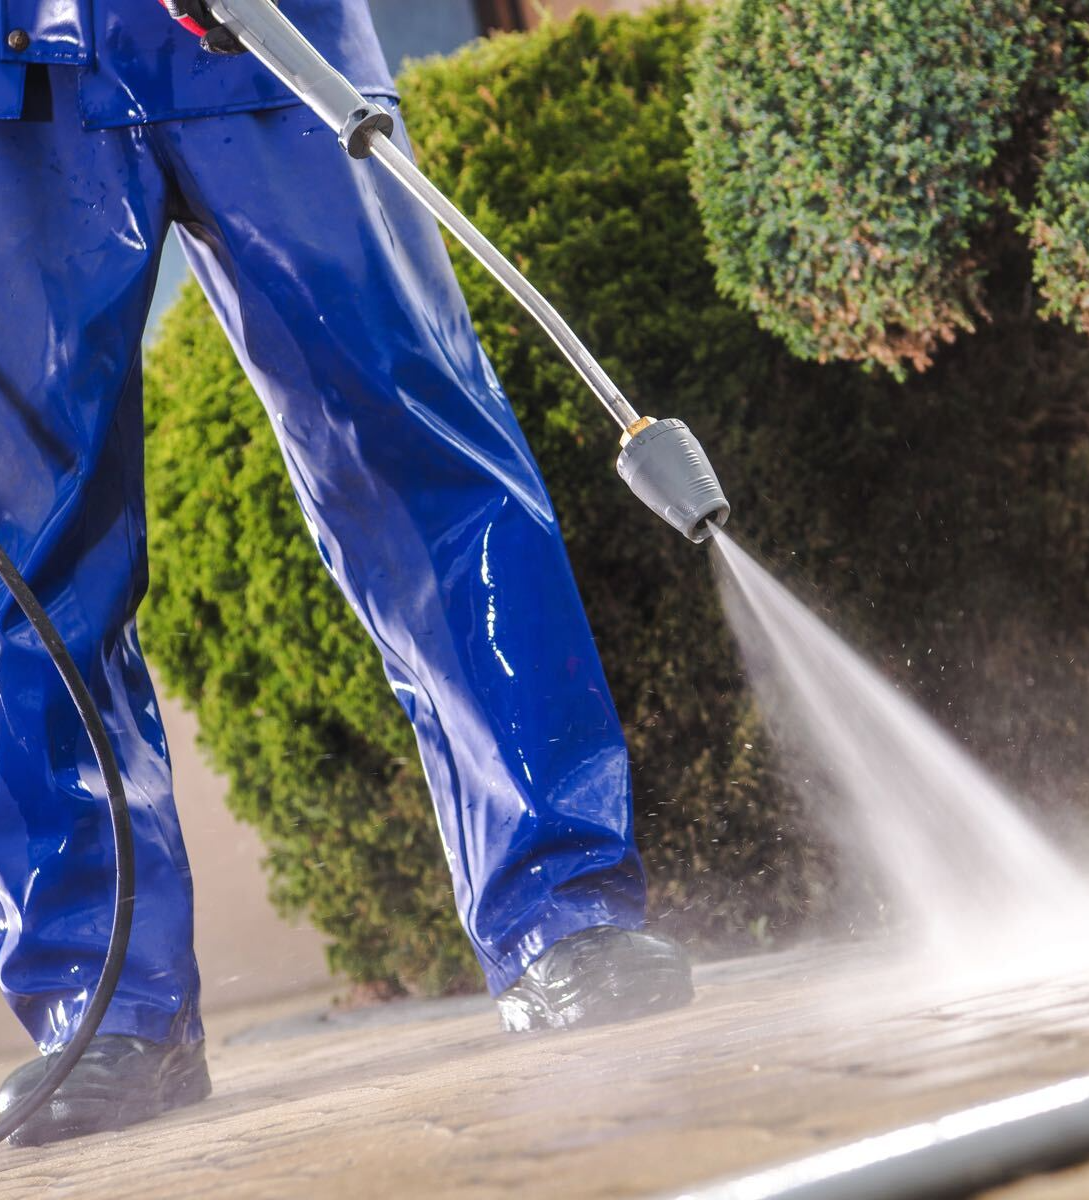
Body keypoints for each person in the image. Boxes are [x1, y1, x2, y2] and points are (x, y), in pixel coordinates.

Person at [0, 0, 692, 1147]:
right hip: (24, 67)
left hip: (262, 35)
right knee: (27, 552)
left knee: (413, 444)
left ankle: (561, 914)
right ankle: (107, 1006)